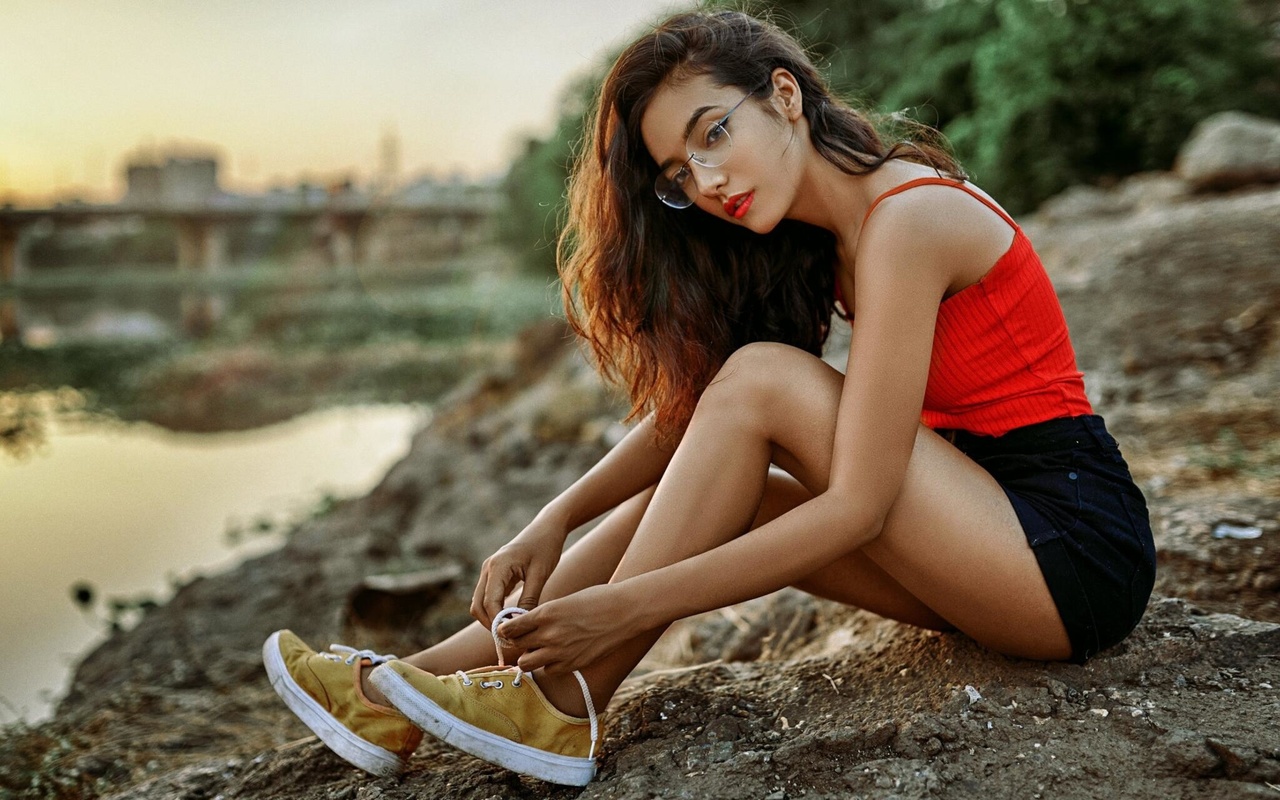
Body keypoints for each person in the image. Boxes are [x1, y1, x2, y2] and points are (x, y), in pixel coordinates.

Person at [262, 9, 1156, 787]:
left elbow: (858, 502)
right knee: (701, 483)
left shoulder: (908, 220)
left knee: (765, 376)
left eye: (714, 133)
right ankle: (400, 694)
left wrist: (630, 607)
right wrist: (555, 517)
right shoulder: (818, 239)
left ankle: (562, 702)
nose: (706, 181)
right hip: (980, 534)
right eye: (680, 174)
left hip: (1066, 550)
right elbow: (707, 418)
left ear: (785, 95)